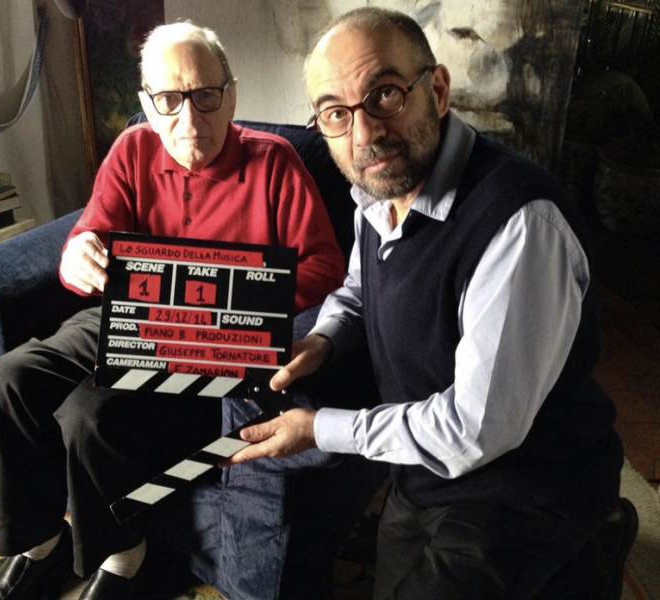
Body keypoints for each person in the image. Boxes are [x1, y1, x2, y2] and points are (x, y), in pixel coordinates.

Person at [226, 7, 631, 599]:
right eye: (336, 113)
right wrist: (323, 337)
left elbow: (474, 429)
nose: (364, 134)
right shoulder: (376, 191)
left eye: (385, 95)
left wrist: (319, 429)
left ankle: (596, 540)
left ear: (437, 90)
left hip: (529, 488)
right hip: (425, 473)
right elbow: (360, 288)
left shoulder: (519, 225)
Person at [0, 21, 347, 600]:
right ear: (148, 104)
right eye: (169, 100)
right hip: (127, 317)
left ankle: (125, 555)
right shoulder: (133, 148)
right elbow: (91, 233)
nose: (189, 119)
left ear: (231, 95)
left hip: (217, 335)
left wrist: (237, 292)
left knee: (90, 414)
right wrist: (77, 253)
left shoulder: (274, 161)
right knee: (11, 378)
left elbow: (325, 266)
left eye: (205, 95)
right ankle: (40, 543)